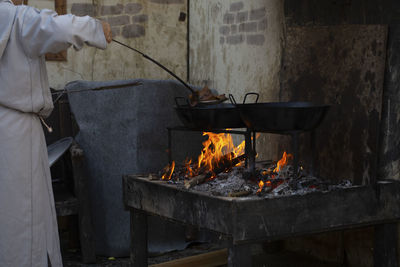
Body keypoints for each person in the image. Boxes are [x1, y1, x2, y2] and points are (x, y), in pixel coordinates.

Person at [0, 0, 112, 266]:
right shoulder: (15, 18)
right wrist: (97, 28)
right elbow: (54, 26)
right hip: (17, 134)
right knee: (24, 216)